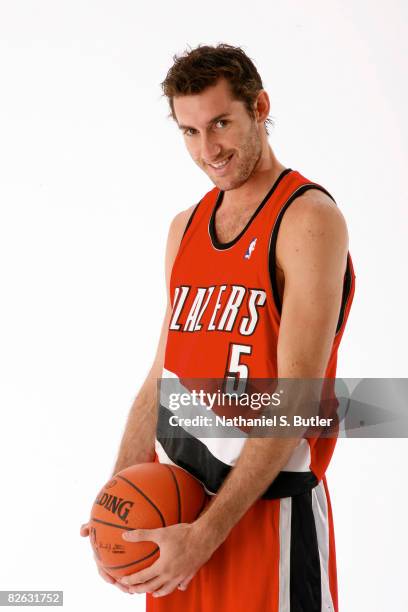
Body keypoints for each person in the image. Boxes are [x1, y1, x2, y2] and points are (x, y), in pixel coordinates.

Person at [81, 43, 356, 611]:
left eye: (221, 124)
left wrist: (207, 536)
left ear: (260, 107)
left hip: (266, 524)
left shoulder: (307, 219)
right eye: (189, 131)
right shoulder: (184, 228)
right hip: (177, 527)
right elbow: (162, 377)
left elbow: (297, 399)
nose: (208, 149)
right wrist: (116, 501)